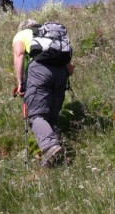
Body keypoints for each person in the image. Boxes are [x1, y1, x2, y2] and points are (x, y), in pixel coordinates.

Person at [12, 20, 74, 167]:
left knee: (36, 116)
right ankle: (58, 158)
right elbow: (70, 69)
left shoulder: (22, 34)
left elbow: (19, 53)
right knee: (52, 119)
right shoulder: (52, 39)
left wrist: (20, 82)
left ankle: (51, 147)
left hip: (39, 71)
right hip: (60, 74)